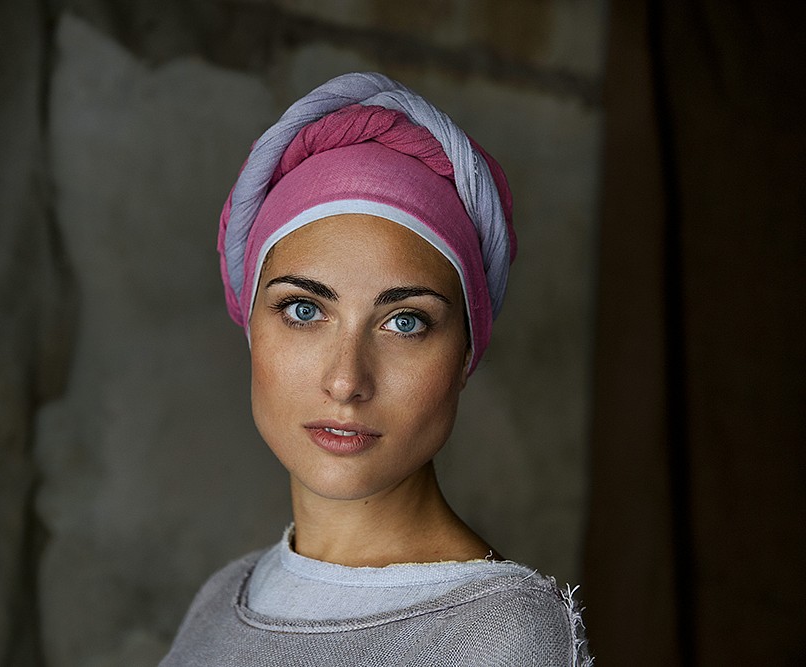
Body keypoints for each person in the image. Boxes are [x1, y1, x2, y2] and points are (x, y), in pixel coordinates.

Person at [160, 72, 592, 666]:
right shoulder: (220, 600)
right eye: (304, 310)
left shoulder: (497, 635)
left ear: (466, 353)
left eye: (405, 322)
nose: (345, 381)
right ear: (251, 327)